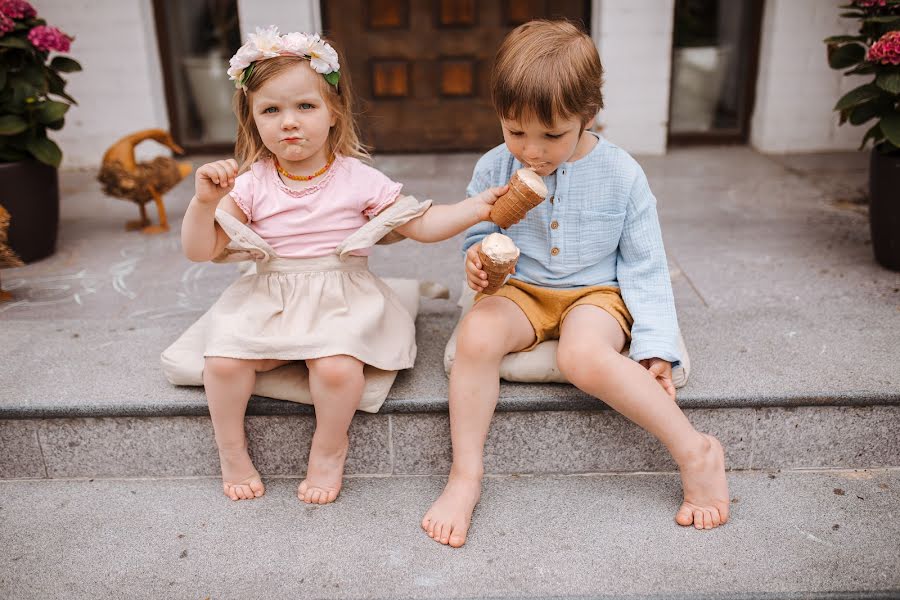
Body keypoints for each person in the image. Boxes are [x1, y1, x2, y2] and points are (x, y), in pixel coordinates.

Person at [422, 20, 730, 547]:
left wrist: (656, 346)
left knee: (582, 357)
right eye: (515, 131)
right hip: (521, 288)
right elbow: (477, 231)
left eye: (552, 135)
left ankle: (696, 450)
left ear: (588, 117)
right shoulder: (495, 166)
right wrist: (477, 258)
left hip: (595, 293)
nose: (531, 150)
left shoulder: (622, 174)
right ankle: (465, 475)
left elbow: (646, 265)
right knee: (475, 336)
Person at [181, 27, 506, 504]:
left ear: (333, 113)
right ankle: (231, 450)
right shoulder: (251, 184)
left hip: (339, 295)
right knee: (223, 363)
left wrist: (477, 208)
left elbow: (421, 222)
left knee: (336, 370)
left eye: (304, 107)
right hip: (271, 295)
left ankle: (329, 449)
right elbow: (200, 250)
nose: (289, 122)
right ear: (253, 121)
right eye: (271, 110)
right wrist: (204, 203)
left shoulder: (357, 178)